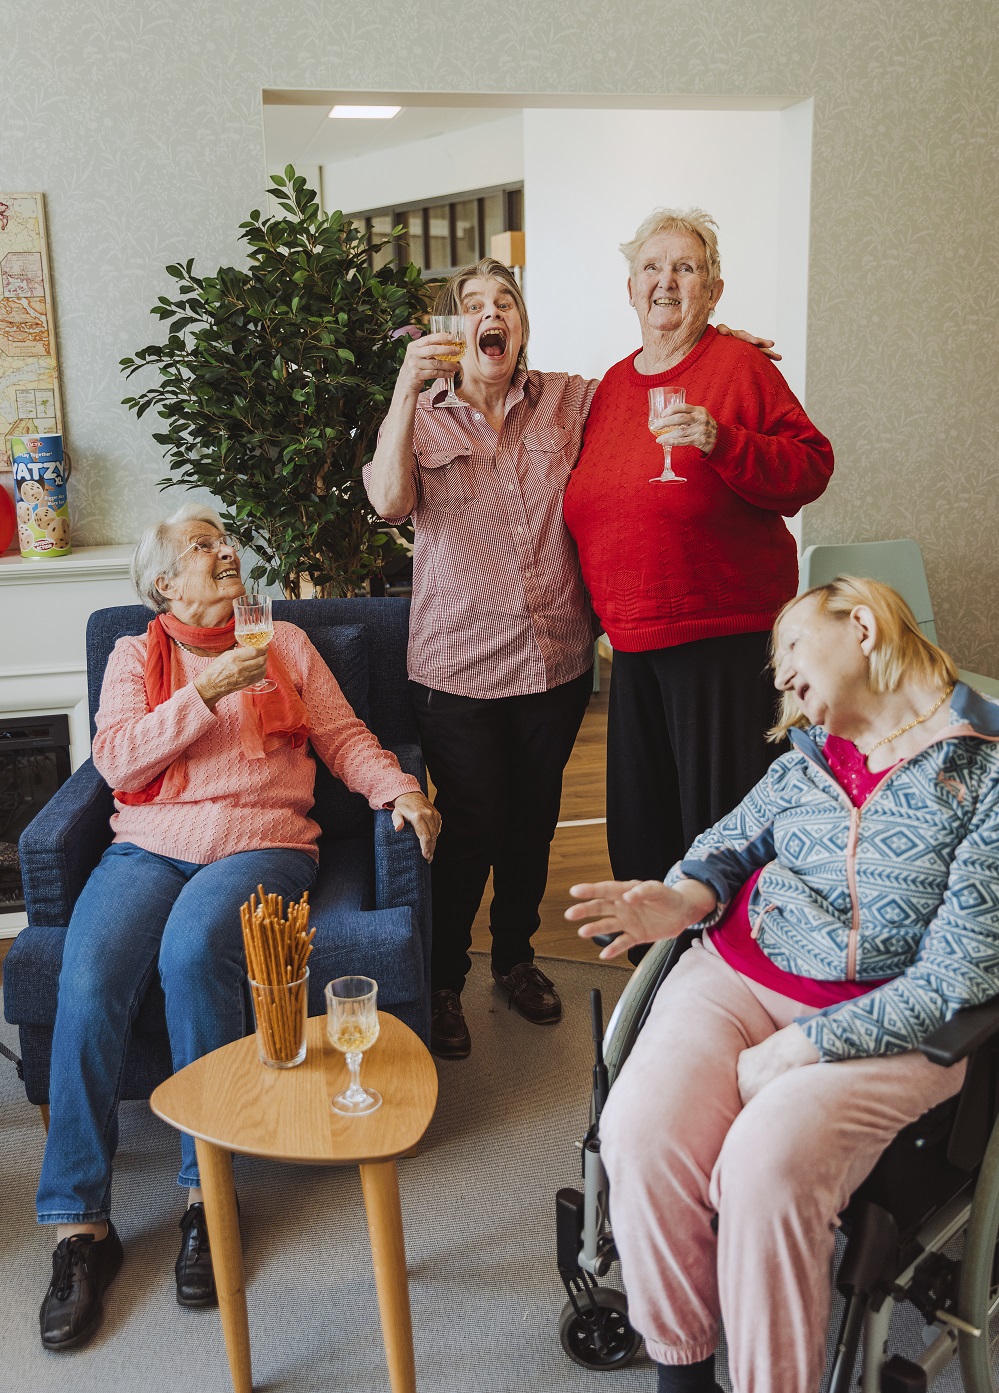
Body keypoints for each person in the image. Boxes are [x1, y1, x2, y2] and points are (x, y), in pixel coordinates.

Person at [567, 577, 999, 1393]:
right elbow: (727, 843)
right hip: (737, 977)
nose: (779, 677)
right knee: (638, 1130)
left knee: (763, 1167)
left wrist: (806, 1044)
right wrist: (682, 896)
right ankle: (682, 1369)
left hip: (891, 1022)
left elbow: (955, 976)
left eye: (790, 649)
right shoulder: (806, 760)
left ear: (862, 625)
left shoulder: (985, 773)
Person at [36, 503, 439, 1352]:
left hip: (261, 844)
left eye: (225, 538)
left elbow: (342, 736)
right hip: (147, 847)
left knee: (192, 951)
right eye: (200, 545)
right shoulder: (130, 654)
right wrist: (202, 692)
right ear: (162, 583)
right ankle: (79, 1226)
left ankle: (202, 1197)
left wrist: (397, 789)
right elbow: (116, 760)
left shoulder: (281, 643)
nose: (223, 551)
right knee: (87, 973)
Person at [366, 258, 777, 1059]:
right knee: (475, 820)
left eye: (505, 302)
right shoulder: (419, 418)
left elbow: (651, 376)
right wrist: (401, 390)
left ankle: (515, 959)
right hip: (457, 665)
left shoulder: (571, 398)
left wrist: (714, 343)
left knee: (533, 820)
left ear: (520, 325)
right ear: (451, 332)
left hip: (554, 657)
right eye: (473, 305)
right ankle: (445, 974)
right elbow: (387, 501)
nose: (493, 314)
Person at [563, 208, 835, 888]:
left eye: (685, 268)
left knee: (720, 832)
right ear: (629, 288)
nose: (666, 282)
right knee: (641, 828)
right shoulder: (611, 388)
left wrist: (723, 441)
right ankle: (658, 978)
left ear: (712, 290)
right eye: (651, 267)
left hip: (722, 641)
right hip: (631, 642)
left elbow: (810, 467)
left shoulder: (738, 366)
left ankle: (730, 973)